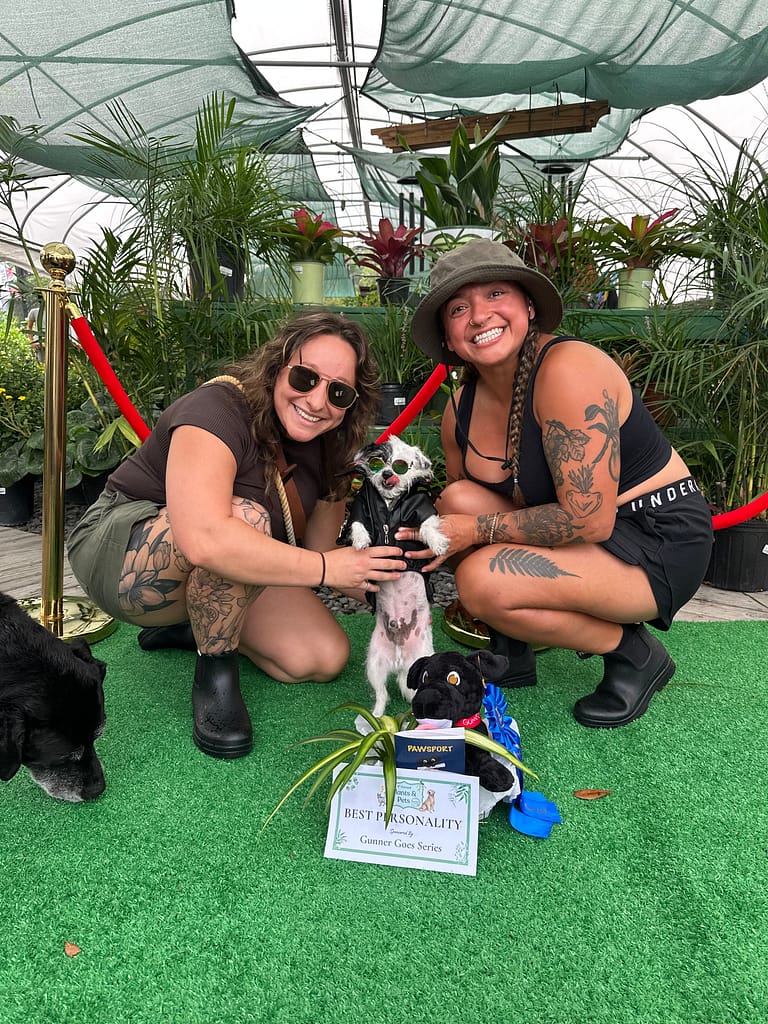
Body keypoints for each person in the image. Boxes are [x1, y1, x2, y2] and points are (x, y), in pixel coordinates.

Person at [398, 239, 713, 728]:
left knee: (481, 582)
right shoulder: (459, 408)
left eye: (495, 294)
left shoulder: (568, 369)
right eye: (459, 308)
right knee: (456, 500)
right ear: (447, 334)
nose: (479, 316)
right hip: (583, 534)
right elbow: (466, 512)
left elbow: (587, 518)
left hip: (655, 538)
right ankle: (511, 648)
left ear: (527, 305)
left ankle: (635, 654)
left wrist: (474, 533)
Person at [67, 311, 408, 759]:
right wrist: (327, 568)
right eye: (305, 377)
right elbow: (207, 538)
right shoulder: (218, 408)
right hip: (119, 547)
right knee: (241, 520)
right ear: (278, 366)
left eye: (338, 392)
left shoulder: (336, 446)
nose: (318, 401)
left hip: (223, 566)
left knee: (321, 657)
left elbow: (318, 554)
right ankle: (215, 671)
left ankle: (193, 626)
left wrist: (374, 582)